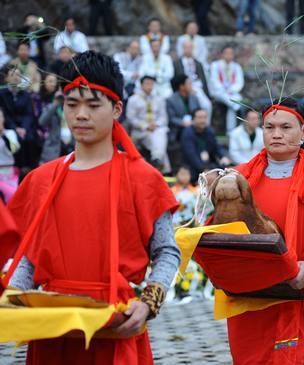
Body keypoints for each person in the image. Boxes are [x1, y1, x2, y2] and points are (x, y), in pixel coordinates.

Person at [5, 50, 181, 364]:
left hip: (115, 319)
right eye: (72, 105)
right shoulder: (40, 180)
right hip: (53, 319)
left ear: (116, 109)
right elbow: (29, 258)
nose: (81, 115)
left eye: (93, 105)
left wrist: (148, 302)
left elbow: (167, 250)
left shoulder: (143, 178)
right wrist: (13, 298)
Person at [225, 98, 304, 364]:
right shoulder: (237, 179)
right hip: (247, 297)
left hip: (294, 291)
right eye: (269, 127)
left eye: (285, 127)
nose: (276, 134)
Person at [0, 65, 40, 173]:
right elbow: (4, 114)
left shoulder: (26, 94)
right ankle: (16, 169)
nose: (16, 77)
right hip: (8, 126)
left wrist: (23, 128)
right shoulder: (2, 94)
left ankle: (31, 169)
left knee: (31, 138)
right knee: (13, 140)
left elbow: (29, 114)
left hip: (24, 126)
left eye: (18, 75)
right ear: (6, 78)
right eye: (12, 75)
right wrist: (15, 128)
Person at [126, 76, 169, 172]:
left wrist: (156, 125)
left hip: (156, 128)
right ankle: (161, 164)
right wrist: (145, 126)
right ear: (141, 85)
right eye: (147, 84)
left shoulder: (159, 99)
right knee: (158, 139)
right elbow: (131, 118)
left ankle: (157, 158)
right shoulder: (133, 99)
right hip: (140, 130)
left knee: (159, 134)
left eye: (151, 84)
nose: (150, 86)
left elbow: (163, 117)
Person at [180, 109, 231, 183]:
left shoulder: (209, 131)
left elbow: (216, 147)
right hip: (193, 167)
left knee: (225, 168)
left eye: (205, 117)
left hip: (209, 165)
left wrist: (223, 156)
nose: (203, 120)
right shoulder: (187, 133)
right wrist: (204, 169)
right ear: (193, 119)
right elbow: (191, 155)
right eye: (200, 117)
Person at [166, 74, 201, 171]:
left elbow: (199, 111)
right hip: (179, 129)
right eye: (189, 83)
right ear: (182, 86)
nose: (191, 86)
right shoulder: (171, 100)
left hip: (195, 125)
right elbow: (171, 118)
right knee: (188, 131)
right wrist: (183, 123)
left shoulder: (194, 97)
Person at [174, 41, 212, 121]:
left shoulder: (198, 63)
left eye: (190, 47)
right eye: (186, 48)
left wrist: (207, 94)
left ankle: (205, 125)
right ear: (183, 49)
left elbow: (203, 80)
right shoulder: (177, 63)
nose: (188, 50)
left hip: (197, 88)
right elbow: (176, 79)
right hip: (183, 89)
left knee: (207, 105)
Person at [209, 45, 244, 132]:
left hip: (231, 92)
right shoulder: (215, 65)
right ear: (222, 54)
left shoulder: (236, 67)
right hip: (219, 92)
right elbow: (214, 81)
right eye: (226, 53)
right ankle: (236, 106)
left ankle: (230, 130)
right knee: (234, 102)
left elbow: (239, 82)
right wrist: (223, 89)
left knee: (232, 103)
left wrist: (231, 90)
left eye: (230, 53)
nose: (228, 55)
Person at [38, 91, 74, 164]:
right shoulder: (51, 108)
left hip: (71, 147)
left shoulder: (73, 108)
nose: (62, 99)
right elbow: (42, 122)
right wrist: (55, 104)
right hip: (54, 147)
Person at [0, 108, 20, 203]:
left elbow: (13, 149)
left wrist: (3, 135)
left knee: (14, 196)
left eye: (0, 116)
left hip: (9, 174)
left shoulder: (10, 133)